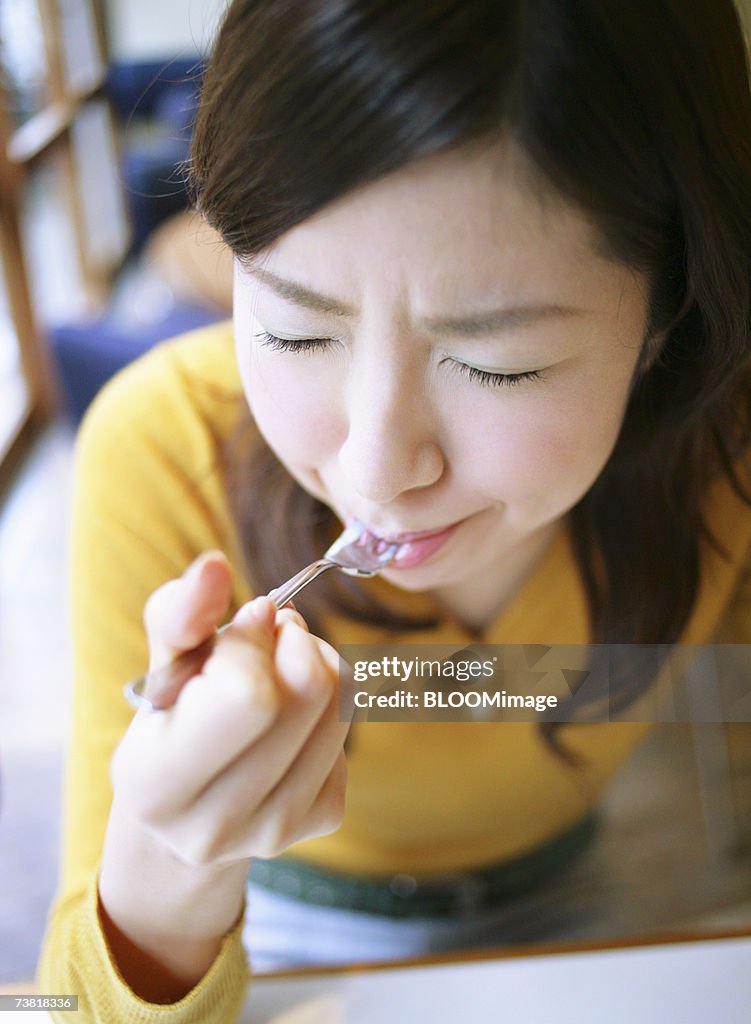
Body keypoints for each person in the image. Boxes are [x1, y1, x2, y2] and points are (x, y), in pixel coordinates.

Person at [38, 0, 751, 1019]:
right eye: (292, 332)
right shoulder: (164, 449)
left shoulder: (724, 451)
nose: (373, 470)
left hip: (580, 901)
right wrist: (163, 874)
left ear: (666, 316)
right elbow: (70, 1003)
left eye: (496, 365)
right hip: (263, 922)